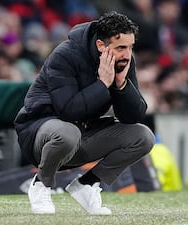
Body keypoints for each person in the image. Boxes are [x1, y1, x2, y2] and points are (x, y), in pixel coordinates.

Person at [14, 11, 155, 215]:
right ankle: (41, 185)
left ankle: (87, 185)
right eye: (121, 47)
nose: (127, 54)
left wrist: (120, 85)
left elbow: (133, 117)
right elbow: (68, 110)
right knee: (67, 133)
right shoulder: (65, 55)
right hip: (40, 132)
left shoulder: (123, 61)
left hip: (81, 133)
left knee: (143, 136)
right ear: (100, 45)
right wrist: (102, 84)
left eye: (130, 46)